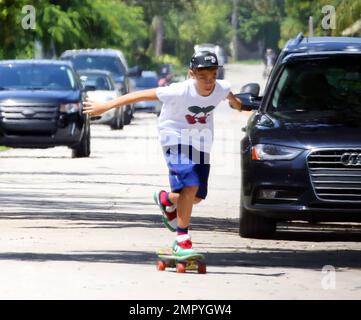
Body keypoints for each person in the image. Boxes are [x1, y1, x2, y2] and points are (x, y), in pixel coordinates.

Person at [83, 51, 243, 257]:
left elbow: (230, 97)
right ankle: (182, 240)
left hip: (202, 142)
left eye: (212, 76)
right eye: (202, 77)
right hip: (174, 137)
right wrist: (105, 106)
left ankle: (167, 199)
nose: (208, 82)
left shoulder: (221, 87)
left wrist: (239, 105)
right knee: (191, 184)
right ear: (191, 74)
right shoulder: (178, 90)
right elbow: (138, 95)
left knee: (196, 197)